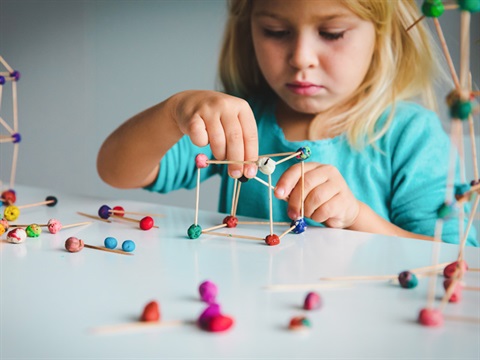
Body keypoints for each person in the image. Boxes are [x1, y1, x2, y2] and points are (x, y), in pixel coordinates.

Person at [97, 0, 477, 246]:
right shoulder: (241, 121)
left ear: (383, 35)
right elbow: (116, 171)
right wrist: (173, 111)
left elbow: (452, 259)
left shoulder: (412, 137)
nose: (301, 57)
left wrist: (356, 216)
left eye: (332, 33)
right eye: (276, 32)